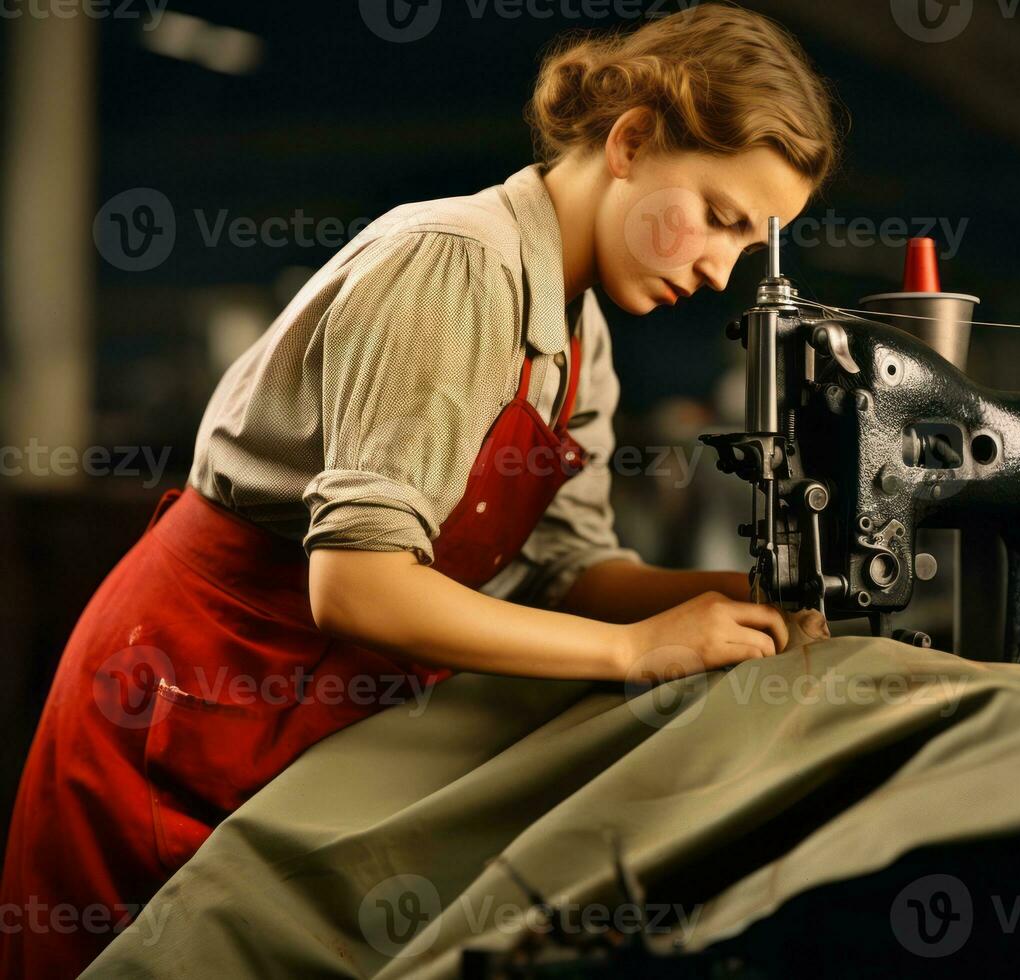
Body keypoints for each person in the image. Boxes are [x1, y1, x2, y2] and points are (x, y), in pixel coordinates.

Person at [0, 3, 843, 974]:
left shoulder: (576, 341)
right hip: (191, 697)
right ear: (631, 140)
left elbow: (564, 571)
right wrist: (635, 648)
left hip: (309, 708)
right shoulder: (456, 262)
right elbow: (356, 584)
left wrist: (769, 598)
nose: (718, 267)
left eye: (747, 245)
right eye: (719, 217)